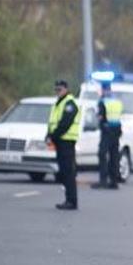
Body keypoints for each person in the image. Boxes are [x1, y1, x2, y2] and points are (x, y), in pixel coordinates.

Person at [47, 79, 81, 210]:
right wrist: (49, 135)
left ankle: (71, 201)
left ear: (66, 89)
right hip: (60, 141)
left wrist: (53, 136)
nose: (57, 92)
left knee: (68, 172)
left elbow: (64, 124)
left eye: (59, 89)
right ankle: (68, 199)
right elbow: (52, 123)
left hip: (67, 141)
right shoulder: (59, 103)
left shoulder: (70, 104)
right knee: (64, 172)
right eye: (56, 90)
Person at [92, 82, 122, 189]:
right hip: (117, 130)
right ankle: (114, 181)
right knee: (114, 156)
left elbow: (100, 117)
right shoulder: (117, 101)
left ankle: (103, 180)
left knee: (102, 154)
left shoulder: (102, 102)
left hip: (106, 130)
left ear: (103, 90)